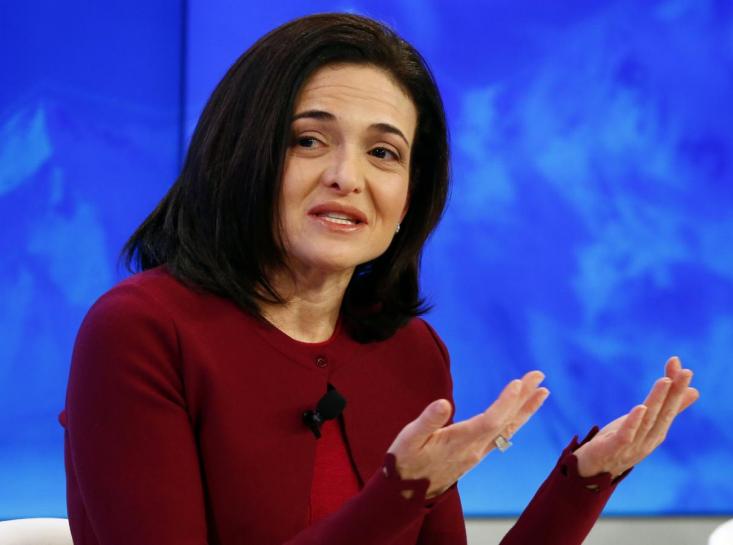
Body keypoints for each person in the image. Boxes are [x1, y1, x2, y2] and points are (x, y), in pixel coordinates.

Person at [59, 12, 699, 545]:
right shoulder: (141, 332)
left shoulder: (408, 351)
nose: (347, 176)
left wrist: (584, 482)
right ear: (241, 152)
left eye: (384, 152)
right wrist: (400, 494)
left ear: (411, 193)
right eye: (309, 141)